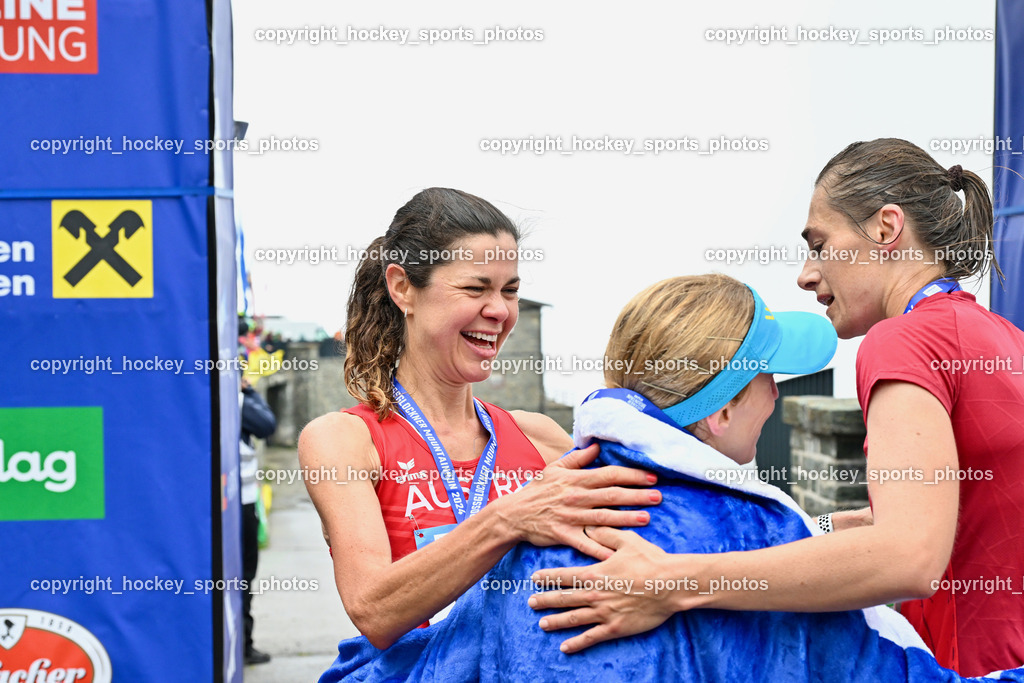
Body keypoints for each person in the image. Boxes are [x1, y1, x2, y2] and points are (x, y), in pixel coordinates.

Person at [319, 275, 1024, 682]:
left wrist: (841, 530)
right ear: (720, 411)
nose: (776, 397)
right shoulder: (762, 536)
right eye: (765, 379)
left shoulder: (541, 519)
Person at [529, 139, 1024, 677]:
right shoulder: (1003, 336)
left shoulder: (903, 340)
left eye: (819, 243)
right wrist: (823, 529)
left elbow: (908, 557)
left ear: (886, 228)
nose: (805, 274)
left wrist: (671, 581)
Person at [298, 188, 659, 650]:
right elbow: (374, 609)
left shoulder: (540, 437)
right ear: (403, 287)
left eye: (511, 291)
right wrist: (507, 519)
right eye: (475, 288)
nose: (500, 310)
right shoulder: (344, 440)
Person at [239, 375, 277, 665]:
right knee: (243, 577)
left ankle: (241, 642)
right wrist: (249, 391)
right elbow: (267, 425)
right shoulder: (237, 400)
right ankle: (243, 644)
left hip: (239, 503)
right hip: (238, 507)